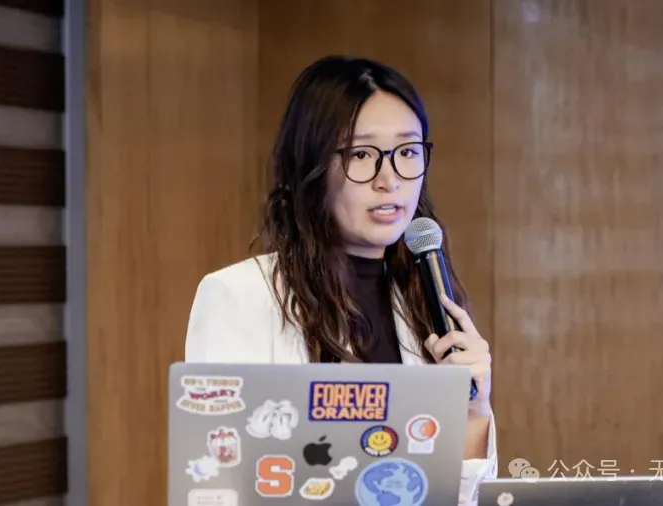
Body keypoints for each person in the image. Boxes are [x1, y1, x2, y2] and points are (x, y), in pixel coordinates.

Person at [184, 55, 498, 503]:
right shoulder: (238, 296)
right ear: (312, 166)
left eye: (408, 152)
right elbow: (216, 487)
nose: (389, 179)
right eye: (361, 155)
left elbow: (463, 496)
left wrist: (473, 413)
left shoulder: (427, 302)